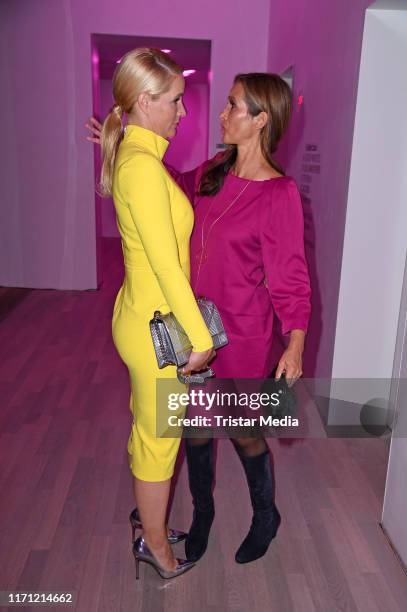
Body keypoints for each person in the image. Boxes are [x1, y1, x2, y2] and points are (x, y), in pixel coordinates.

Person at [87, 71, 311, 565]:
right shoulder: (212, 169)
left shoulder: (280, 194)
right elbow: (165, 193)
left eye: (233, 106)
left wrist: (294, 342)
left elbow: (291, 276)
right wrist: (123, 142)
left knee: (242, 430)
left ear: (261, 121)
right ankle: (203, 516)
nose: (223, 114)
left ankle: (265, 514)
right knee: (195, 426)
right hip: (193, 330)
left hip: (243, 336)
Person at [98, 47, 214, 579]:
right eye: (174, 101)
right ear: (144, 102)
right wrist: (201, 339)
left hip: (144, 319)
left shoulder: (138, 156)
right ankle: (156, 550)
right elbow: (169, 269)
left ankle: (149, 521)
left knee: (149, 430)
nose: (183, 111)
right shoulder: (141, 166)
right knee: (159, 444)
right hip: (158, 330)